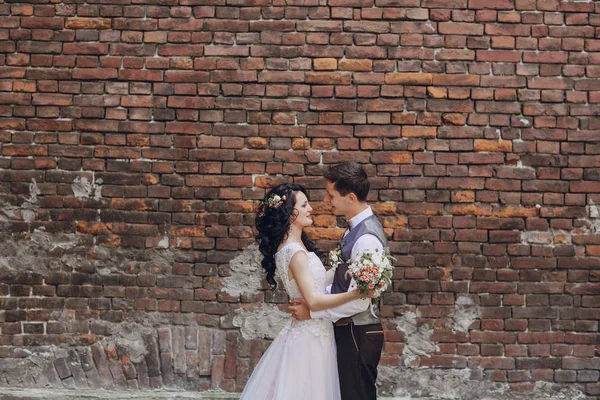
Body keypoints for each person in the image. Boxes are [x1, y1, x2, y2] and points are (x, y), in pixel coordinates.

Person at [240, 183, 372, 400]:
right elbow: (314, 301)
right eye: (304, 205)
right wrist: (357, 293)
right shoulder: (296, 254)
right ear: (290, 214)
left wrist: (347, 267)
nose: (311, 208)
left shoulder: (291, 248)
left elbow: (316, 281)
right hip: (311, 336)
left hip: (311, 331)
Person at [289, 162, 386, 400]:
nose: (325, 200)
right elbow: (343, 282)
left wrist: (312, 313)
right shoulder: (354, 230)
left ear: (350, 197)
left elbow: (360, 302)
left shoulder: (366, 239)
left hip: (358, 333)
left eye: (331, 194)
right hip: (350, 331)